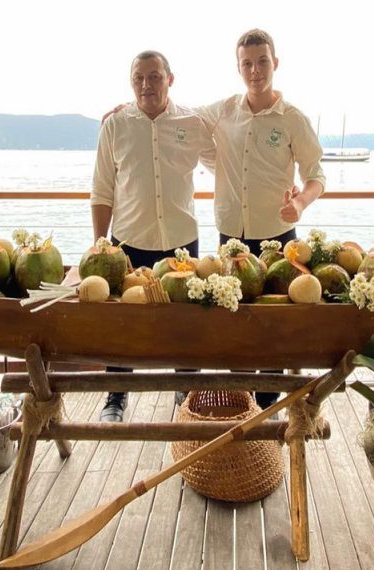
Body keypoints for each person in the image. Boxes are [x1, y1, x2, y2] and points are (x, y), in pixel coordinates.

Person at [197, 28, 325, 408]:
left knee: (274, 325)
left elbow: (317, 175)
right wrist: (127, 108)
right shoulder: (223, 110)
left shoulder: (292, 119)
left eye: (262, 62)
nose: (255, 71)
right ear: (239, 69)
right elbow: (178, 115)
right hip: (230, 238)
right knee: (232, 318)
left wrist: (300, 203)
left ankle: (270, 404)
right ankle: (238, 399)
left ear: (276, 63)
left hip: (277, 238)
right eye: (247, 64)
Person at [91, 49, 216, 422]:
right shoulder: (115, 126)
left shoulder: (192, 123)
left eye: (155, 76)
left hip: (181, 242)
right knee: (123, 324)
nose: (147, 84)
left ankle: (187, 391)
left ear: (170, 79)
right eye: (139, 78)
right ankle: (115, 396)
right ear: (132, 83)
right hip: (128, 244)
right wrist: (100, 245)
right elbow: (102, 190)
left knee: (185, 322)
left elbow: (226, 162)